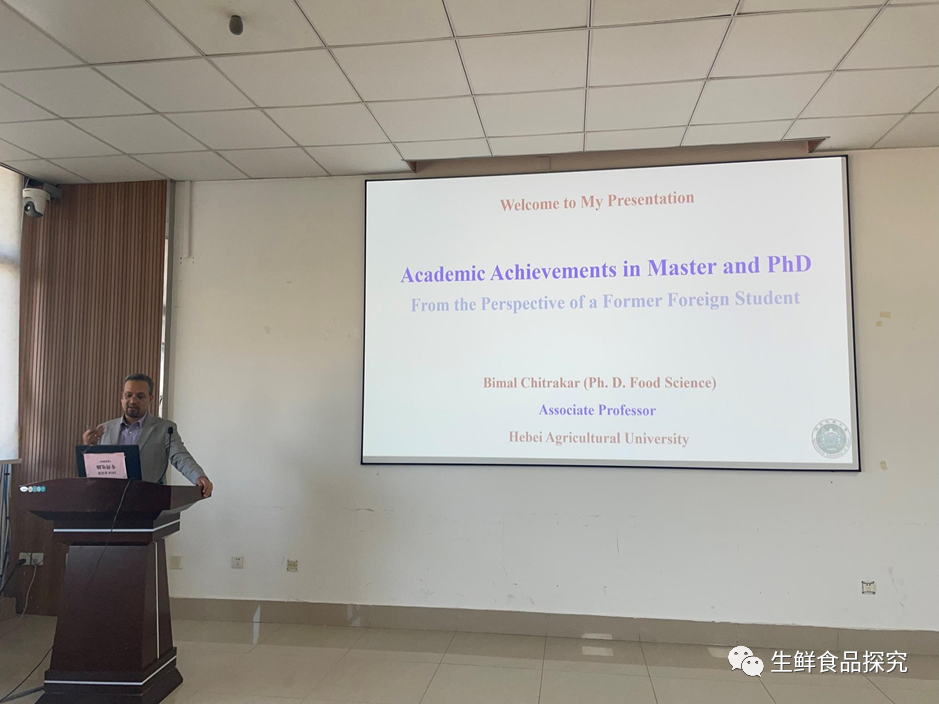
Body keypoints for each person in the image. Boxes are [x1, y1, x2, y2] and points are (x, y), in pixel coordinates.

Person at [82, 373, 213, 497]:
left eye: (140, 396)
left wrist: (198, 476)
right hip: (109, 500)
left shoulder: (165, 429)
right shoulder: (105, 429)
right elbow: (94, 470)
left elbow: (180, 457)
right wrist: (88, 447)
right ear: (122, 397)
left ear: (150, 399)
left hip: (148, 501)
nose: (132, 401)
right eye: (128, 395)